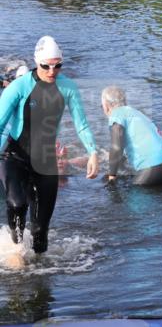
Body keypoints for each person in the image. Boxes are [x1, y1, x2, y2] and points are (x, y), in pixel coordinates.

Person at [0, 36, 99, 254]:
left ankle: (40, 275)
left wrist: (93, 152)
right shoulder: (19, 87)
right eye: (46, 66)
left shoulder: (68, 88)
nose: (52, 71)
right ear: (37, 63)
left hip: (45, 161)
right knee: (17, 204)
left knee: (40, 231)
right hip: (15, 156)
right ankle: (16, 252)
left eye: (57, 65)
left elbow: (81, 125)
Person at [101, 86, 162, 186]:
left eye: (101, 106)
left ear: (106, 106)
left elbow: (116, 147)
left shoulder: (116, 114)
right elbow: (124, 152)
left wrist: (112, 176)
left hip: (154, 168)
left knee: (131, 196)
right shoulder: (137, 113)